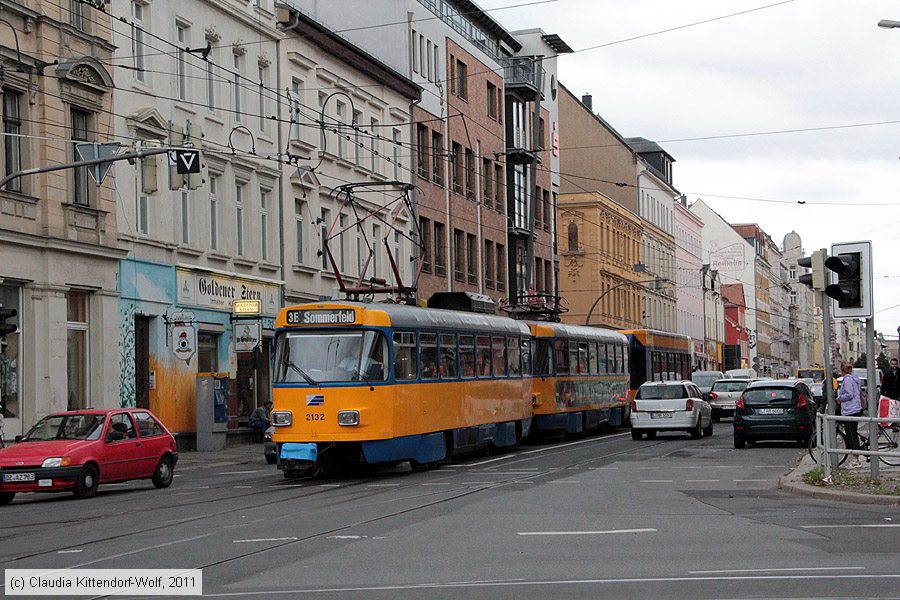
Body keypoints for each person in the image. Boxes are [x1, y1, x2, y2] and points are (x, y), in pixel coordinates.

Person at [836, 362, 864, 468]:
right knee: (853, 433)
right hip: (856, 408)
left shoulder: (847, 380)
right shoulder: (854, 378)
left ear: (842, 370)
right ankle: (855, 457)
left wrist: (839, 398)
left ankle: (855, 459)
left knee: (851, 435)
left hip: (850, 409)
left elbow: (849, 394)